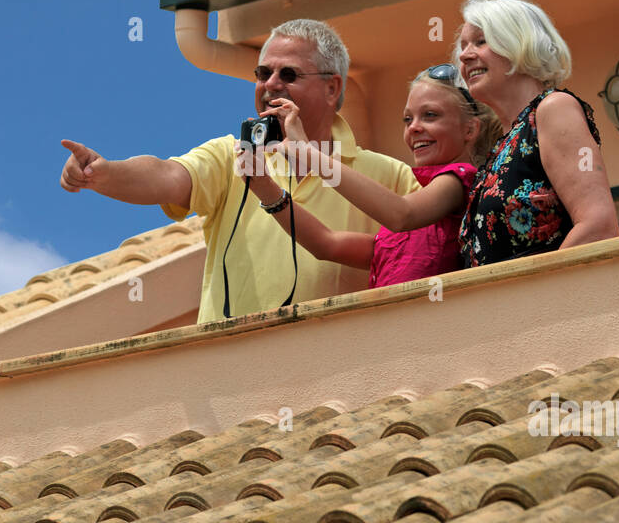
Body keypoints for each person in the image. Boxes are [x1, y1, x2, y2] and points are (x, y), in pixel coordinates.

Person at [59, 19, 419, 322]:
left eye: (288, 74)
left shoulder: (390, 174)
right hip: (232, 381)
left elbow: (427, 256)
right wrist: (104, 173)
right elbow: (166, 176)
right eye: (263, 73)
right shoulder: (229, 156)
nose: (271, 84)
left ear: (331, 88)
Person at [244, 67, 502, 288]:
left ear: (470, 129)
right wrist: (266, 190)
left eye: (430, 115)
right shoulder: (407, 209)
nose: (414, 127)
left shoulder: (459, 179)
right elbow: (326, 244)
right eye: (407, 119)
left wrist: (307, 153)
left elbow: (402, 214)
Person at [455, 0, 619, 267]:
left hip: (549, 305)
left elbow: (598, 227)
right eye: (463, 46)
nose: (464, 55)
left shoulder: (553, 110)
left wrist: (539, 299)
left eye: (481, 41)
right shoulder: (505, 143)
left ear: (520, 43)